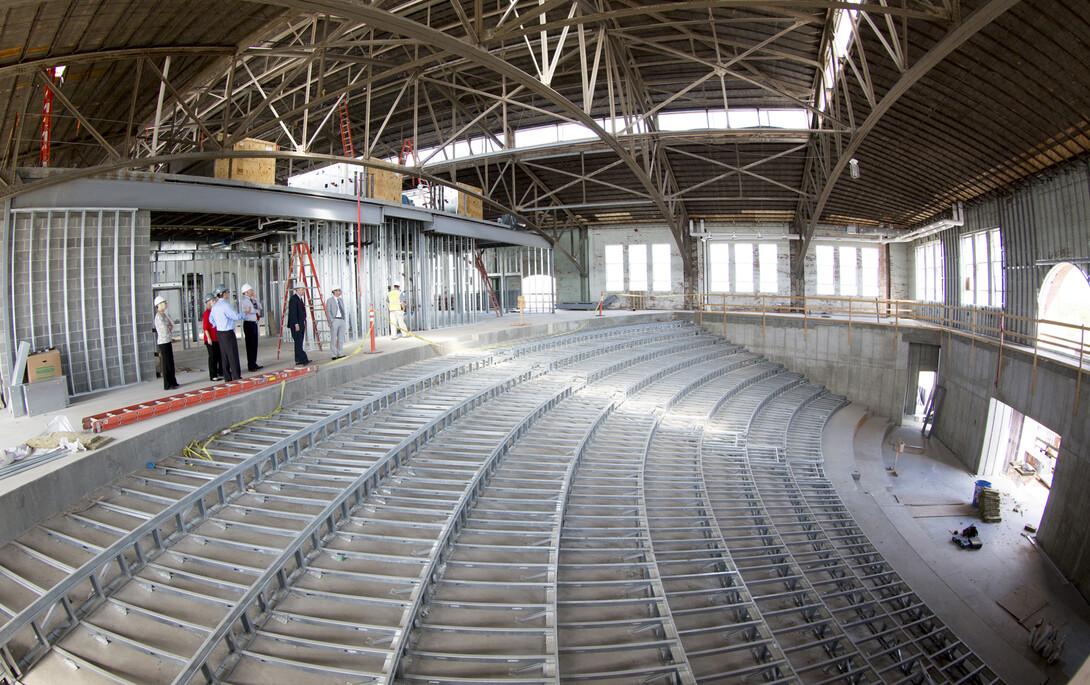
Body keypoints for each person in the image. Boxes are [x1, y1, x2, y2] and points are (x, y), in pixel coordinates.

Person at [210, 285, 244, 381]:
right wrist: (245, 313)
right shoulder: (225, 305)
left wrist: (218, 324)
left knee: (224, 356)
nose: (228, 294)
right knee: (232, 355)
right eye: (227, 292)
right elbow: (236, 316)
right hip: (228, 333)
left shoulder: (215, 306)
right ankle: (237, 377)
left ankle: (227, 378)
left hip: (220, 333)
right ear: (224, 293)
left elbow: (211, 320)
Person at [153, 295, 180, 390]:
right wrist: (168, 326)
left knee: (170, 362)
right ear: (159, 305)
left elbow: (171, 325)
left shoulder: (164, 315)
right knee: (166, 363)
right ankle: (168, 384)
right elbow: (165, 329)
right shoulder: (158, 317)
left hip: (168, 340)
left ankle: (173, 381)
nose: (166, 304)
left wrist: (169, 326)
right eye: (164, 302)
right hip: (163, 342)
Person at [240, 283, 264, 372]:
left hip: (253, 323)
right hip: (248, 324)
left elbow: (260, 307)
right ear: (246, 292)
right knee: (250, 345)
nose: (252, 292)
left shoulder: (251, 300)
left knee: (254, 344)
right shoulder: (246, 301)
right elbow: (254, 310)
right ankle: (250, 364)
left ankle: (254, 362)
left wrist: (256, 300)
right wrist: (255, 305)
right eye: (251, 291)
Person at [287, 282, 310, 366]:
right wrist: (296, 324)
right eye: (302, 289)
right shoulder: (294, 299)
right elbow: (293, 313)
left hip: (301, 324)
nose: (304, 291)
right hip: (296, 325)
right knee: (298, 342)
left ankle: (302, 359)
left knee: (299, 342)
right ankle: (300, 359)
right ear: (297, 290)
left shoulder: (299, 299)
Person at [202, 293, 223, 381]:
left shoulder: (215, 311)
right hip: (210, 338)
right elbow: (205, 327)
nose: (214, 302)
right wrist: (209, 338)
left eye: (214, 300)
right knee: (212, 356)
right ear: (209, 302)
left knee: (219, 355)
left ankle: (220, 371)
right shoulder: (206, 313)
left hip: (217, 337)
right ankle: (213, 375)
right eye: (213, 301)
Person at [326, 286, 348, 359]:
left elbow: (343, 309)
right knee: (333, 338)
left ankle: (340, 353)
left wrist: (344, 319)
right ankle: (333, 354)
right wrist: (332, 320)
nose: (340, 291)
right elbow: (328, 311)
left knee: (340, 338)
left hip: (341, 320)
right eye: (338, 290)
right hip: (335, 320)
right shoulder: (330, 300)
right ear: (335, 291)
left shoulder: (340, 300)